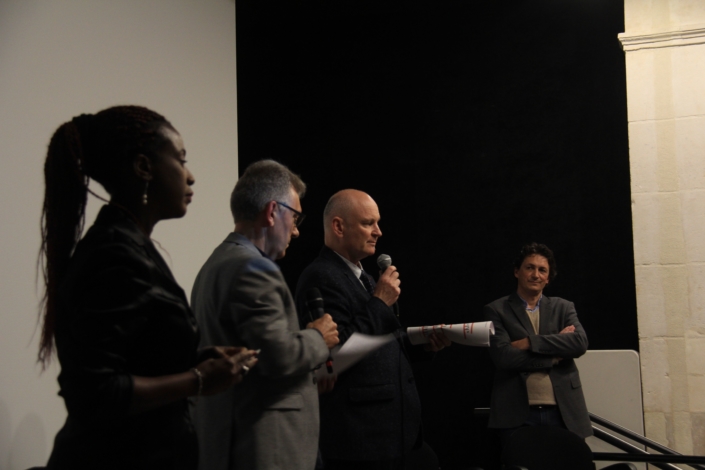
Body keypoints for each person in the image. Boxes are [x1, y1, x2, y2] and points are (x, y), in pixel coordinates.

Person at [38, 105, 256, 470]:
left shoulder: (127, 245)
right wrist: (199, 380)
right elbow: (94, 392)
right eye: (181, 160)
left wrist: (195, 359)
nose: (190, 176)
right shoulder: (113, 253)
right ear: (143, 167)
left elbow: (134, 356)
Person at [190, 159, 339, 470]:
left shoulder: (214, 264)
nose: (296, 231)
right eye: (295, 217)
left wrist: (310, 373)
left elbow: (252, 358)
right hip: (265, 449)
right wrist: (318, 338)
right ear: (272, 211)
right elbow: (276, 356)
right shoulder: (254, 268)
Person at [295, 189, 448, 470]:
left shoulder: (362, 275)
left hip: (390, 434)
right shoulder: (321, 276)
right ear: (339, 226)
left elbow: (378, 344)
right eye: (368, 223)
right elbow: (335, 356)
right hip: (360, 440)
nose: (378, 231)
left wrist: (422, 344)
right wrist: (379, 303)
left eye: (377, 223)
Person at [483, 242, 592, 443]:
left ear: (548, 278)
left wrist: (529, 342)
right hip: (516, 413)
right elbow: (504, 357)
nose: (535, 275)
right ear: (517, 271)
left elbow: (579, 343)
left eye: (542, 270)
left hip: (564, 411)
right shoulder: (496, 309)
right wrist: (553, 356)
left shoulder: (563, 307)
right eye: (529, 267)